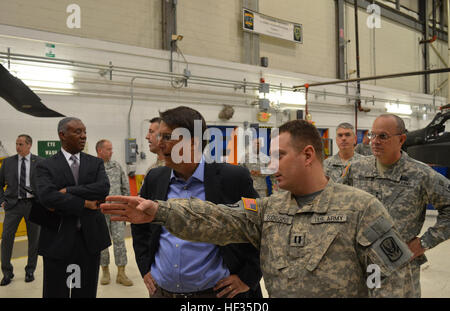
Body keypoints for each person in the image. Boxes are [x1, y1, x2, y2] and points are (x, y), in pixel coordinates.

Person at [102, 119, 414, 298]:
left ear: (308, 155)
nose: (269, 165)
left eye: (278, 156)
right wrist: (160, 211)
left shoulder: (361, 209)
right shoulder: (269, 209)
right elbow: (218, 217)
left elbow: (395, 284)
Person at [130, 106, 263, 298]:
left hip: (216, 294)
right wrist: (145, 268)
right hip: (162, 292)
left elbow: (259, 228)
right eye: (159, 137)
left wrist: (247, 278)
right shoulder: (155, 178)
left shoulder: (232, 178)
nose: (159, 144)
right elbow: (140, 227)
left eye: (167, 137)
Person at [339, 114, 450, 297]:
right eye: (372, 135)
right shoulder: (357, 169)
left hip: (398, 267)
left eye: (383, 136)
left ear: (401, 139)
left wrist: (424, 242)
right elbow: (338, 202)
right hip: (359, 263)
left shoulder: (421, 174)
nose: (375, 141)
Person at [36, 117, 111, 298]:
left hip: (89, 240)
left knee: (85, 292)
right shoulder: (45, 165)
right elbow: (48, 197)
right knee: (56, 291)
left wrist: (68, 191)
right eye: (78, 132)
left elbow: (102, 188)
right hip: (58, 239)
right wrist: (84, 203)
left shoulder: (96, 163)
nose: (83, 136)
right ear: (62, 135)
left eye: (84, 131)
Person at [0, 134, 42, 286]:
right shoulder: (8, 163)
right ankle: (6, 272)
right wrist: (2, 200)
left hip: (33, 205)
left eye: (21, 144)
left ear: (29, 145)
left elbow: (46, 184)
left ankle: (30, 270)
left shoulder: (40, 162)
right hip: (13, 205)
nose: (17, 147)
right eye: (16, 144)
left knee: (34, 240)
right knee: (6, 239)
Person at [96, 139, 133, 286]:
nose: (112, 152)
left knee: (119, 241)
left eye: (111, 149)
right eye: (109, 149)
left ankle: (121, 273)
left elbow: (126, 189)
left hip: (117, 211)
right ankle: (105, 272)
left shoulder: (116, 166)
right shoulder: (93, 167)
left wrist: (127, 207)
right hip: (99, 211)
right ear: (100, 151)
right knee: (102, 243)